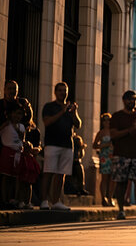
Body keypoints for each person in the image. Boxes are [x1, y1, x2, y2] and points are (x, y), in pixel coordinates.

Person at [40, 82, 81, 211]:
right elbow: (47, 122)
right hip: (52, 144)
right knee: (48, 172)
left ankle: (56, 201)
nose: (63, 93)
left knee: (61, 174)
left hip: (67, 145)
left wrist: (74, 113)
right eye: (60, 90)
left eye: (65, 90)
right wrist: (62, 112)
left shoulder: (70, 108)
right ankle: (44, 201)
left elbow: (78, 124)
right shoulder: (49, 107)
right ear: (55, 92)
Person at [110, 90, 136, 220]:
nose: (132, 102)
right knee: (121, 182)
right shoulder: (117, 116)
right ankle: (121, 210)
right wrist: (129, 130)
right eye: (130, 99)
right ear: (124, 100)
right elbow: (113, 134)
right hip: (121, 153)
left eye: (134, 99)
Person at [0, 102, 26, 208]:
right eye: (15, 113)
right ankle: (3, 199)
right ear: (10, 114)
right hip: (7, 151)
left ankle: (13, 199)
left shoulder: (22, 127)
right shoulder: (6, 125)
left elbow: (22, 139)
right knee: (5, 177)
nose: (17, 116)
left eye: (19, 114)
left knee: (15, 178)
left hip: (17, 153)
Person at [93, 113, 115, 207]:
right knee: (105, 178)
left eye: (109, 120)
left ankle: (110, 197)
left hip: (113, 156)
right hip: (104, 157)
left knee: (113, 179)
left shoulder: (114, 131)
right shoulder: (101, 133)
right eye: (105, 120)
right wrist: (104, 145)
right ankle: (103, 198)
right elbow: (94, 145)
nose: (107, 122)